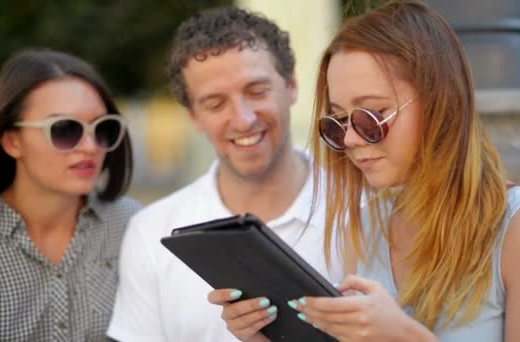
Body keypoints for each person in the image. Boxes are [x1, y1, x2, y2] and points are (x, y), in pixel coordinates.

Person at [284, 1, 520, 341]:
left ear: (440, 102)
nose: (349, 138)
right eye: (338, 120)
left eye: (371, 115)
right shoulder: (363, 228)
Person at [107, 6, 345, 342]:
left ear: (291, 86)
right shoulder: (152, 232)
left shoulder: (370, 207)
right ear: (194, 116)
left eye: (257, 91)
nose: (243, 119)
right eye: (216, 103)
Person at [0, 48, 142, 341]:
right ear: (12, 142)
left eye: (103, 129)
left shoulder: (132, 225)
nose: (89, 146)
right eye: (64, 129)